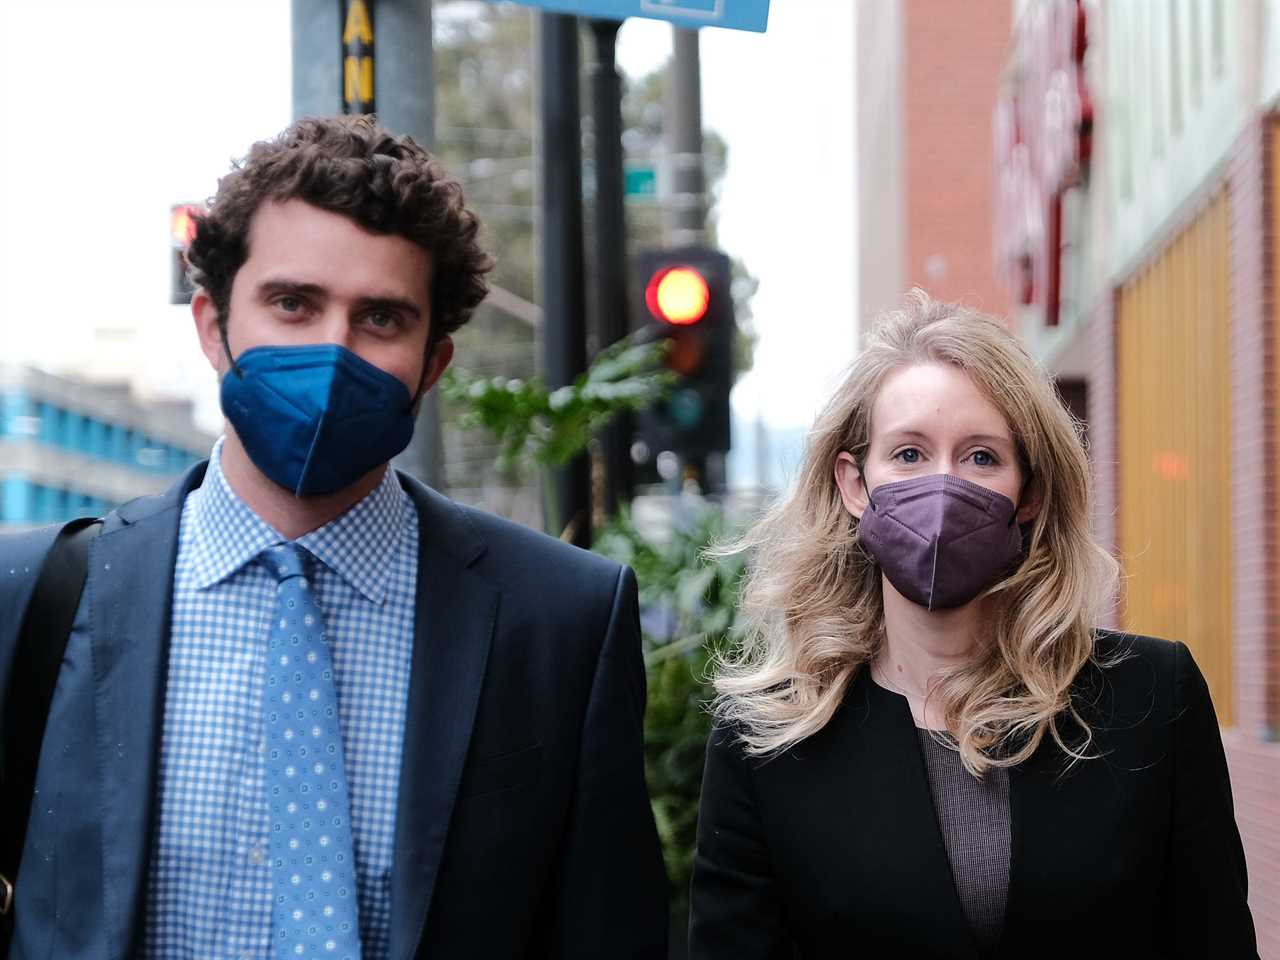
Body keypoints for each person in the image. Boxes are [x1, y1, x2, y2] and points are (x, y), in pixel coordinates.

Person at [1, 116, 668, 959]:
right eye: (292, 304)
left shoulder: (561, 621)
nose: (331, 351)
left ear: (433, 364)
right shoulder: (34, 596)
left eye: (381, 318)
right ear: (213, 326)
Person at [688, 291, 1258, 959]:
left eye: (981, 457)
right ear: (853, 483)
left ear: (1031, 492)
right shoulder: (768, 737)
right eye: (908, 455)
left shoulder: (1152, 697)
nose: (942, 485)